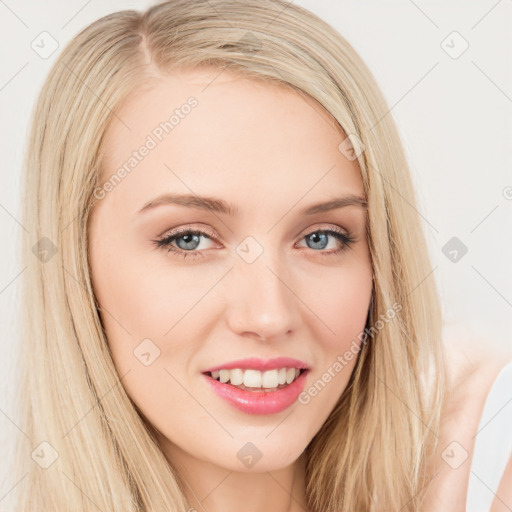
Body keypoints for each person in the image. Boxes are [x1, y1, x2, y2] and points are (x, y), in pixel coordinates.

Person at [12, 0, 511, 510]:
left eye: (320, 238)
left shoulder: (486, 455)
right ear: (77, 265)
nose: (269, 315)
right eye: (189, 239)